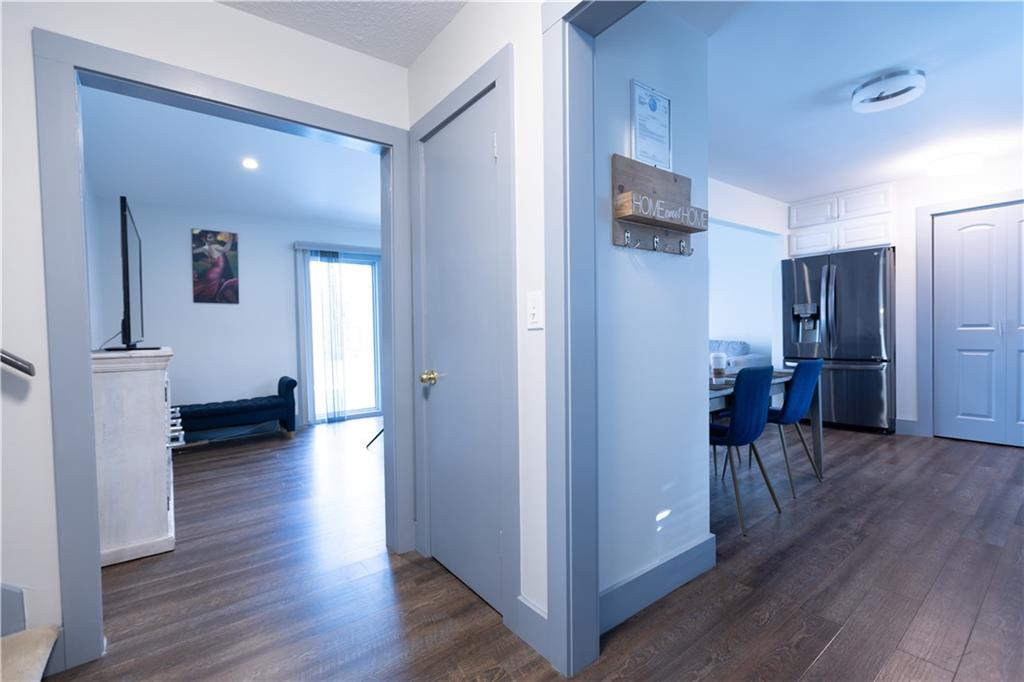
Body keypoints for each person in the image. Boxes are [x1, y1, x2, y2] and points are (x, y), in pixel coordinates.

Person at [192, 231, 238, 303]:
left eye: (212, 237)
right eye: (209, 237)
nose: (212, 239)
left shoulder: (205, 248)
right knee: (209, 288)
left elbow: (193, 251)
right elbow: (225, 249)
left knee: (206, 287)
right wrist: (230, 239)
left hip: (212, 272)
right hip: (217, 272)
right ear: (205, 239)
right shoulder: (214, 246)